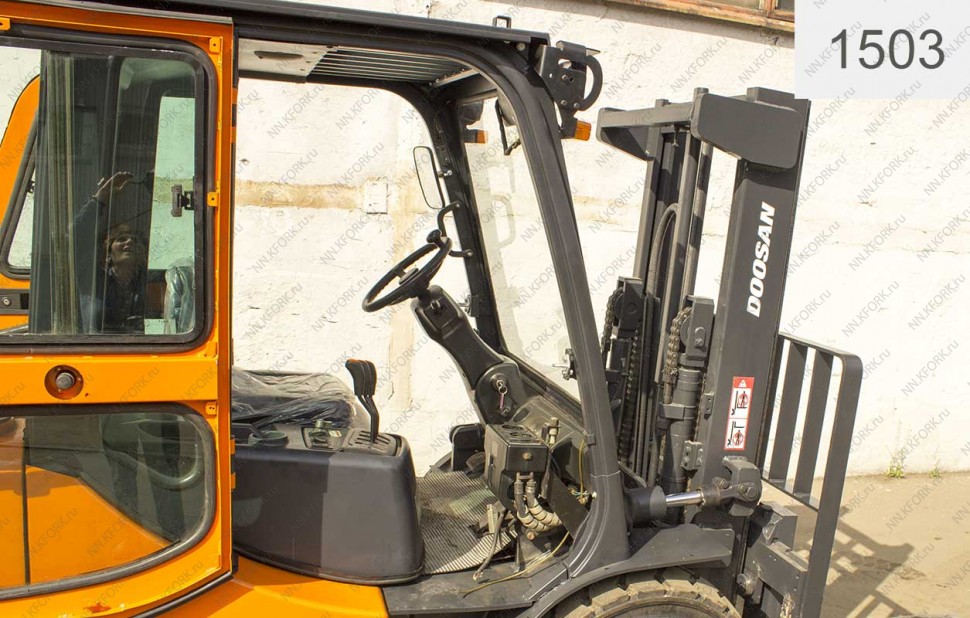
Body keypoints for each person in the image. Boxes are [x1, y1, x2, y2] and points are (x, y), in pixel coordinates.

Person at [101, 222, 148, 333]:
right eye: (121, 239)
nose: (129, 242)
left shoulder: (150, 282)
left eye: (135, 240)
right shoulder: (98, 283)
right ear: (108, 252)